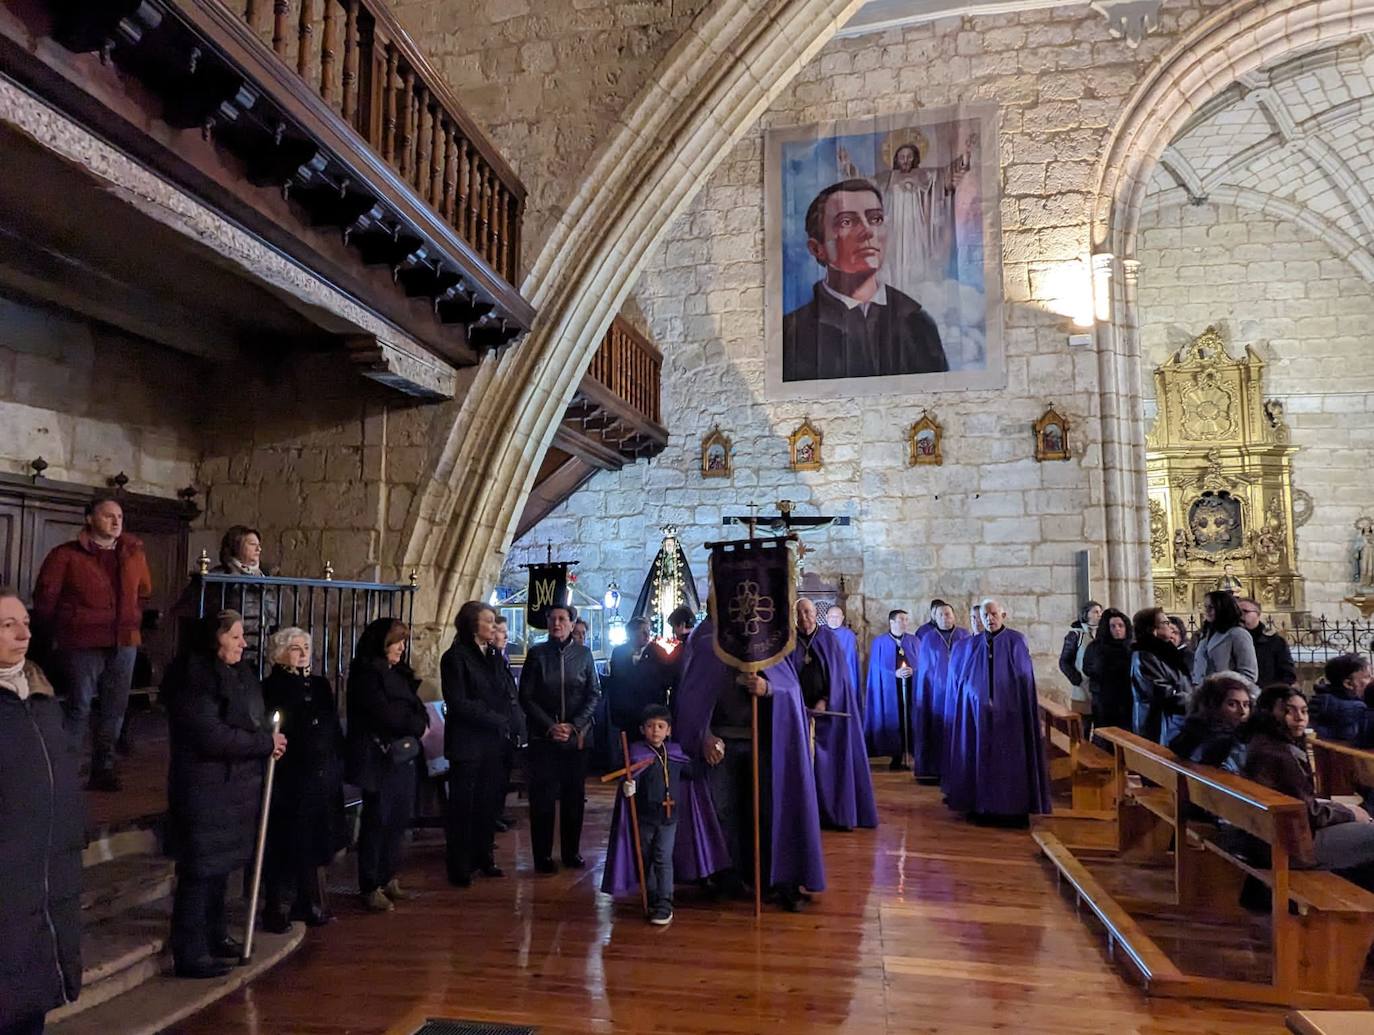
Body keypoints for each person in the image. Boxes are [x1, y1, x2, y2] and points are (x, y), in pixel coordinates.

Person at [164, 610, 286, 978]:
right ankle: (190, 949)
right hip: (204, 787)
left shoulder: (242, 674)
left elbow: (253, 718)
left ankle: (216, 935)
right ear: (213, 639)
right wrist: (262, 743)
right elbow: (210, 735)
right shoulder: (192, 679)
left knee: (221, 870)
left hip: (236, 787)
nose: (243, 643)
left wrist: (269, 740)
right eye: (234, 637)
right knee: (201, 870)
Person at [674, 618, 825, 911]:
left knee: (766, 809)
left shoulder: (768, 638)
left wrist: (767, 688)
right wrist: (704, 736)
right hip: (721, 745)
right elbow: (690, 698)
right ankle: (725, 877)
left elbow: (790, 691)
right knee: (723, 811)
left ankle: (773, 880)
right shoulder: (706, 637)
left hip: (764, 742)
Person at [0, 590, 83, 1034]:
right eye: (7, 624)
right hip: (8, 884)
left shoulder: (41, 698)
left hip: (46, 881)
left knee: (31, 1006)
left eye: (25, 622)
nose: (23, 632)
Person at [33, 496, 153, 791]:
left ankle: (104, 767)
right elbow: (46, 599)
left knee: (115, 708)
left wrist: (131, 617)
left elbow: (145, 590)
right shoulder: (66, 555)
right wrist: (65, 627)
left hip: (124, 640)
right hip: (82, 641)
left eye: (120, 517)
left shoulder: (133, 553)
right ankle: (66, 771)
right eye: (108, 515)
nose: (115, 522)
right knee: (79, 705)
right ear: (90, 518)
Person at [781, 178, 948, 382]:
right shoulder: (792, 333)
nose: (868, 231)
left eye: (876, 219)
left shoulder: (917, 323)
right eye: (846, 222)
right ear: (817, 248)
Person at [1244, 685, 1374, 888]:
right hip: (1291, 845)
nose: (1299, 718)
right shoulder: (1277, 754)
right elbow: (1309, 813)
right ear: (1268, 712)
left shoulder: (1261, 743)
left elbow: (1299, 801)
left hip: (1267, 836)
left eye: (1303, 711)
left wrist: (1342, 809)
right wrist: (1349, 813)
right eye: (1288, 710)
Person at [260, 627, 345, 933]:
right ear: (280, 653)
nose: (303, 652)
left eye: (306, 646)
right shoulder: (272, 687)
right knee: (287, 844)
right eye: (295, 647)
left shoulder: (320, 685)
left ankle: (309, 902)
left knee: (315, 842)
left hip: (321, 776)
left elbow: (331, 725)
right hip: (291, 778)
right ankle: (278, 906)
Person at [942, 599, 1051, 825]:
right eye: (985, 615)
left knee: (1010, 762)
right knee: (979, 758)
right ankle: (982, 806)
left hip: (1011, 717)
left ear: (1003, 615)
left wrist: (1002, 700)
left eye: (993, 614)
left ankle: (1013, 809)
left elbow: (1023, 678)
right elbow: (965, 681)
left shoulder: (1015, 641)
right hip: (979, 715)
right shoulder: (973, 645)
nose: (989, 619)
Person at [345, 617, 427, 912]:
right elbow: (384, 714)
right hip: (378, 757)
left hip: (401, 756)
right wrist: (414, 725)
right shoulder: (367, 674)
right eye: (397, 642)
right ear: (382, 644)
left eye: (404, 642)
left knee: (397, 820)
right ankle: (370, 884)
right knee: (377, 820)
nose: (402, 648)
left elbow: (416, 710)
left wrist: (415, 723)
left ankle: (388, 875)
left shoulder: (398, 674)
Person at [519, 603, 600, 873]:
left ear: (571, 622)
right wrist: (550, 726)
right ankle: (542, 856)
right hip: (545, 739)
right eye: (552, 619)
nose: (557, 623)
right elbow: (527, 697)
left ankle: (571, 852)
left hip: (576, 739)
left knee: (573, 797)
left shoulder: (584, 655)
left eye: (562, 619)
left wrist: (573, 726)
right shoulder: (537, 655)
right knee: (542, 799)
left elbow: (593, 694)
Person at [441, 601, 513, 887]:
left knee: (487, 804)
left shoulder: (492, 655)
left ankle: (484, 856)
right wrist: (494, 718)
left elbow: (502, 691)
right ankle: (460, 865)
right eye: (488, 621)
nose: (494, 627)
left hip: (492, 743)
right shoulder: (455, 658)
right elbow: (458, 702)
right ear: (473, 625)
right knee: (464, 807)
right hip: (468, 743)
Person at [793, 598, 877, 830]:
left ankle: (834, 814)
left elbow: (840, 678)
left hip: (829, 715)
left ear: (815, 614)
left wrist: (825, 700)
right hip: (799, 714)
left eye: (808, 612)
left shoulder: (828, 640)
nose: (803, 618)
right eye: (798, 613)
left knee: (828, 767)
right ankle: (807, 816)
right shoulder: (789, 642)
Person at [603, 704, 688, 925]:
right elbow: (629, 775)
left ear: (669, 730)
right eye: (650, 726)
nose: (655, 731)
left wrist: (712, 756)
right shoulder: (637, 753)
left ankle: (665, 901)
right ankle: (651, 895)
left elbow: (692, 772)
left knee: (663, 858)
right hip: (645, 816)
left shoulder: (676, 753)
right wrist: (627, 786)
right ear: (642, 729)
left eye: (660, 726)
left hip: (669, 816)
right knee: (647, 856)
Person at [914, 601, 969, 784]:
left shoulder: (964, 635)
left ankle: (960, 769)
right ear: (934, 618)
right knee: (937, 730)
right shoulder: (928, 638)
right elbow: (925, 670)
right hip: (936, 695)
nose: (945, 618)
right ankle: (935, 770)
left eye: (948, 614)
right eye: (941, 615)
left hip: (959, 692)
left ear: (954, 616)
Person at [210, 525, 275, 665]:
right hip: (234, 647)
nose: (259, 549)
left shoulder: (267, 578)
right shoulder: (220, 577)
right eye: (252, 544)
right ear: (236, 546)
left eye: (259, 545)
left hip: (262, 648)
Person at [865, 609, 920, 770]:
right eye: (901, 619)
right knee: (894, 720)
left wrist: (914, 671)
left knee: (910, 718)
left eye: (906, 619)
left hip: (911, 688)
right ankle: (896, 755)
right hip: (890, 690)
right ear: (892, 622)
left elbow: (922, 663)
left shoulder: (914, 641)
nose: (905, 623)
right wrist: (893, 673)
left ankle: (911, 752)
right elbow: (876, 668)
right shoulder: (879, 642)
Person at [1167, 671, 1254, 772]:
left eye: (1246, 705)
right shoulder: (1198, 734)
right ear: (1214, 706)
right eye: (1232, 704)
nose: (1242, 711)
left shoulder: (1248, 738)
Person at [1129, 607, 1192, 744]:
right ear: (1153, 630)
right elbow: (1160, 691)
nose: (1170, 627)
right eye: (1165, 623)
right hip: (1157, 724)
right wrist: (1195, 701)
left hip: (1174, 721)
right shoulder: (1145, 655)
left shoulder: (1165, 651)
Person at [1083, 607, 1134, 733]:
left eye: (1121, 626)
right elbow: (1087, 668)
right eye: (1113, 626)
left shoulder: (1132, 648)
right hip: (1104, 701)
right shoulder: (1095, 647)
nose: (1117, 629)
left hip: (1127, 700)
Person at [1192, 590, 1258, 685]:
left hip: (1226, 692)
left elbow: (1249, 674)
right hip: (1204, 694)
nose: (1207, 611)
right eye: (1205, 607)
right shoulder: (1205, 635)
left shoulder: (1238, 634)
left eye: (1211, 607)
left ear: (1223, 608)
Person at [1309, 654, 1373, 746]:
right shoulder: (1357, 708)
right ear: (1348, 684)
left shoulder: (1320, 700)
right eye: (1367, 677)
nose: (1372, 680)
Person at [1058, 601, 1101, 723]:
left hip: (1099, 691)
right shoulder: (1076, 634)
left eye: (1100, 612)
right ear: (1086, 614)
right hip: (1082, 690)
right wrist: (1077, 679)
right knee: (1083, 730)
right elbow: (1064, 662)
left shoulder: (1102, 634)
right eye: (1096, 612)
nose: (1099, 615)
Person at [1238, 598, 1295, 687]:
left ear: (1258, 614)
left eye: (1245, 611)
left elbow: (1287, 674)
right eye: (1236, 612)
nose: (1239, 615)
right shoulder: (1229, 639)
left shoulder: (1274, 641)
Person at [824, 604, 862, 693]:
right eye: (832, 616)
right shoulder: (819, 633)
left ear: (842, 618)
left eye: (837, 617)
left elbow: (850, 660)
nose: (834, 619)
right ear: (826, 617)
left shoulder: (849, 635)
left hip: (843, 676)